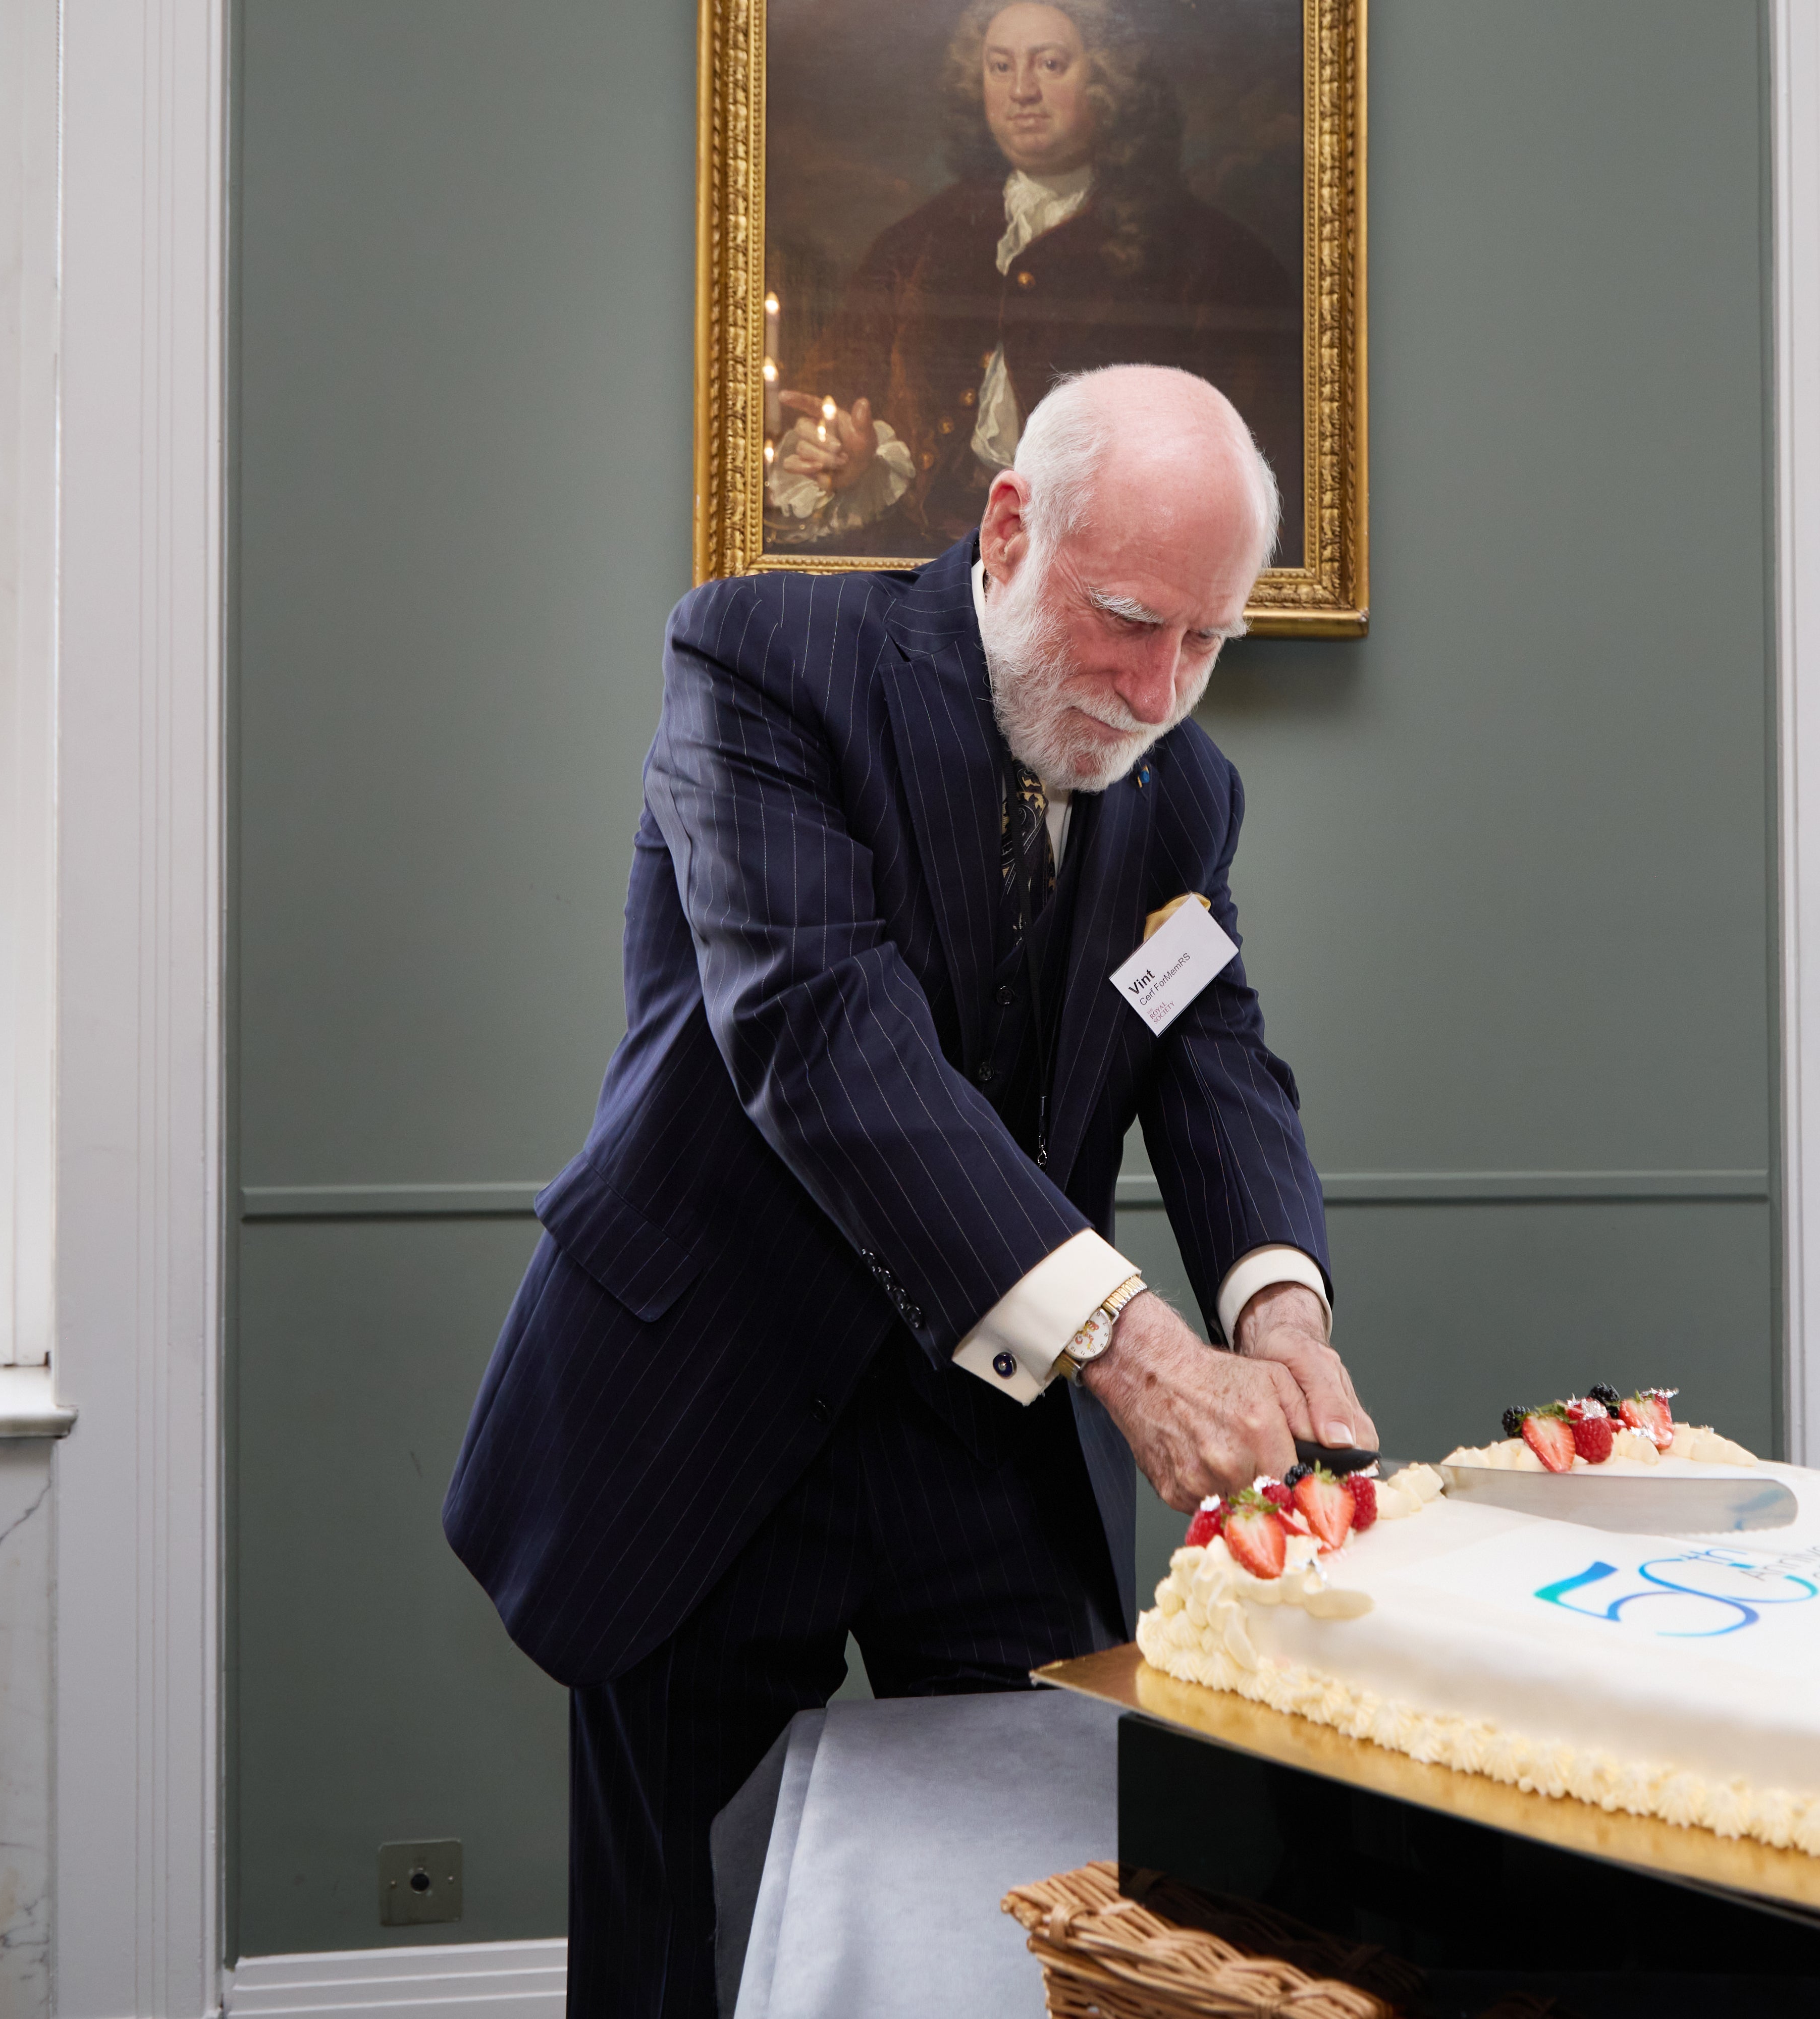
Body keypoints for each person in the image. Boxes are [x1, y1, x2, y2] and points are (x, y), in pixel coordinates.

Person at [443, 364, 1370, 2017]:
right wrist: (1141, 1346)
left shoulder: (1184, 790)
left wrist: (1278, 1305)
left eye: (1208, 643)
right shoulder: (764, 662)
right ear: (1012, 526)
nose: (1161, 690)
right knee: (675, 1948)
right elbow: (818, 1040)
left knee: (1060, 1915)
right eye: (1129, 620)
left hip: (984, 1445)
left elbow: (1208, 1050)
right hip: (706, 1411)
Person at [768, 0, 1302, 562]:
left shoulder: (1211, 259)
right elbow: (827, 406)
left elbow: (1248, 479)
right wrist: (844, 462)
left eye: (1049, 64)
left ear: (1106, 79)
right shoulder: (912, 246)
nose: (1021, 90)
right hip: (926, 581)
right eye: (1001, 67)